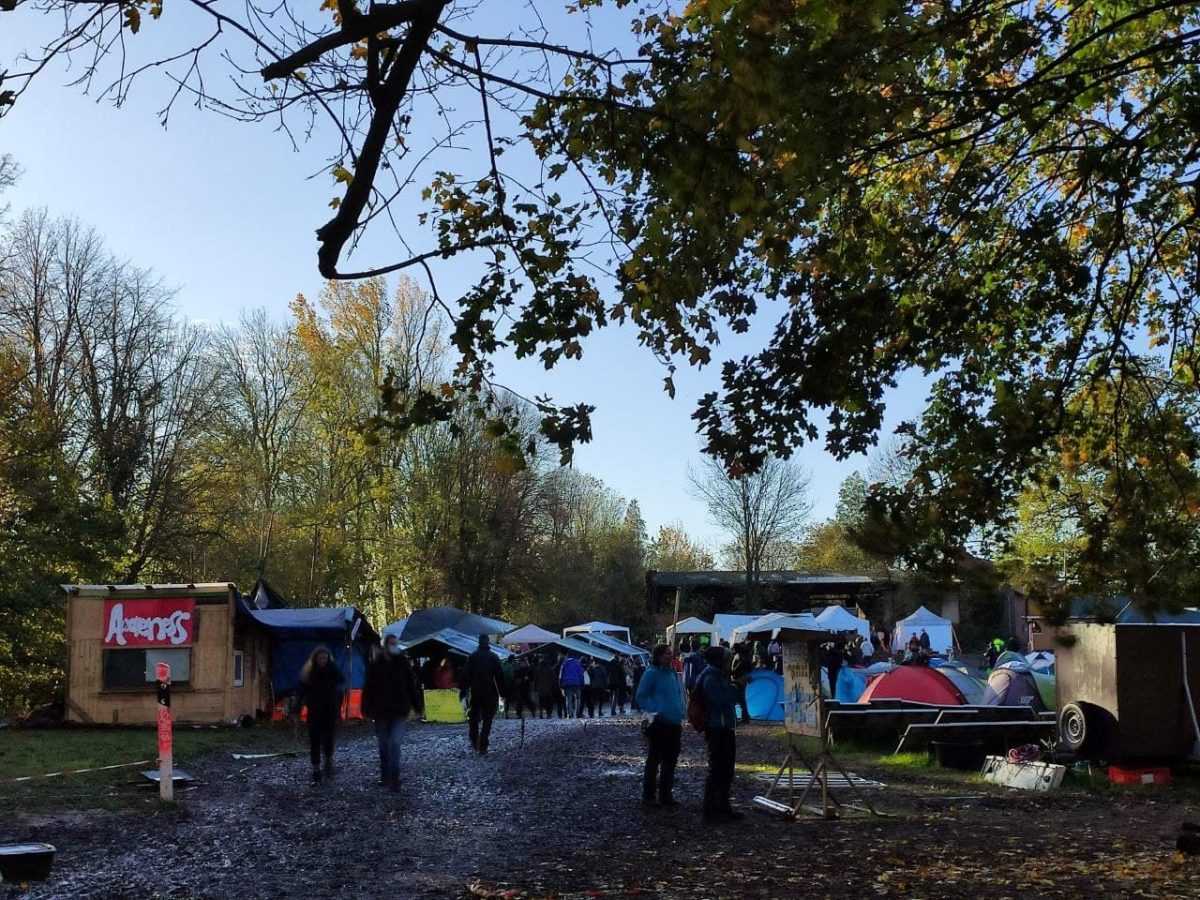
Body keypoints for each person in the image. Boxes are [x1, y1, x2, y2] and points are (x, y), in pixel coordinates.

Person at [362, 633, 424, 792]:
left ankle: (394, 777)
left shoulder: (403, 662)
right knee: (384, 745)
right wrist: (366, 709)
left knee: (395, 743)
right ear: (385, 645)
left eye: (395, 643)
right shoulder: (376, 665)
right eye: (391, 643)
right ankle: (385, 774)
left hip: (399, 710)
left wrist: (417, 706)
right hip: (381, 710)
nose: (394, 646)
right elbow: (368, 688)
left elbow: (411, 685)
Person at [696, 646, 743, 822]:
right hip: (717, 728)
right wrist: (735, 687)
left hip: (724, 726)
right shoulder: (711, 677)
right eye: (728, 660)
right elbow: (719, 701)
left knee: (727, 770)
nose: (731, 663)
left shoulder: (718, 675)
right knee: (717, 770)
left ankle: (723, 807)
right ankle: (710, 811)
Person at [636, 644, 685, 808]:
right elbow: (641, 696)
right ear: (658, 656)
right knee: (654, 759)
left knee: (670, 760)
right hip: (659, 722)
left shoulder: (671, 672)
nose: (670, 656)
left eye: (671, 653)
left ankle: (666, 794)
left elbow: (677, 693)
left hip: (675, 721)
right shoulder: (651, 674)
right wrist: (655, 709)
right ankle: (648, 796)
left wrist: (681, 709)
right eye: (667, 654)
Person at [299, 645, 344, 785]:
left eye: (325, 657)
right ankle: (316, 770)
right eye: (320, 657)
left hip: (329, 711)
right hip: (314, 712)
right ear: (315, 658)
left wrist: (337, 708)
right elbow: (302, 691)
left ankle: (328, 761)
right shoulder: (309, 673)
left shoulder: (333, 671)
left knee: (328, 740)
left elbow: (340, 686)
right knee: (314, 741)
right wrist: (296, 708)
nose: (322, 660)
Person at [459, 634, 506, 754]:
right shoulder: (493, 657)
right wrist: (503, 693)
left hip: (475, 691)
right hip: (490, 692)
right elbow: (500, 677)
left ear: (478, 642)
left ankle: (474, 740)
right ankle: (483, 741)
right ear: (488, 642)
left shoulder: (472, 657)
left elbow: (465, 676)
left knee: (474, 718)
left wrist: (463, 692)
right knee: (487, 719)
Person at [731, 642, 754, 724]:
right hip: (742, 679)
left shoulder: (739, 656)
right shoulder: (743, 655)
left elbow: (738, 666)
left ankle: (744, 717)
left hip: (738, 679)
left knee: (739, 698)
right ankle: (745, 717)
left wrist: (732, 672)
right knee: (741, 699)